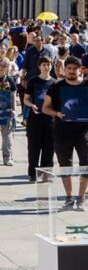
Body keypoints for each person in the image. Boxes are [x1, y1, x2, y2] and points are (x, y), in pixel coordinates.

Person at [43, 57, 88, 208]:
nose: (72, 71)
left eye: (75, 68)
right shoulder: (56, 86)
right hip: (62, 131)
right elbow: (45, 107)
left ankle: (81, 198)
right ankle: (69, 197)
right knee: (65, 165)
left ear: (80, 70)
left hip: (84, 132)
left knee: (86, 165)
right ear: (64, 69)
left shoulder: (86, 84)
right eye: (69, 68)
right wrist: (57, 113)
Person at [23, 56, 56, 183]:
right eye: (44, 64)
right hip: (35, 118)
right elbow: (26, 99)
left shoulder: (54, 82)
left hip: (50, 119)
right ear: (39, 66)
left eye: (48, 64)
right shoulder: (33, 81)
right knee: (34, 147)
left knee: (49, 148)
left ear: (51, 66)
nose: (46, 67)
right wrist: (32, 105)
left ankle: (46, 174)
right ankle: (33, 174)